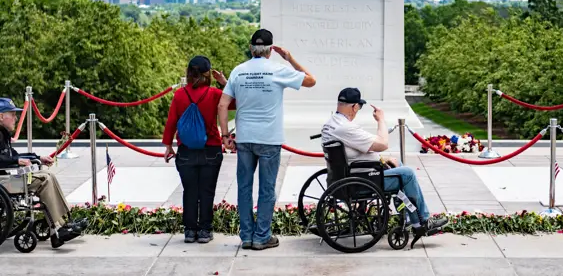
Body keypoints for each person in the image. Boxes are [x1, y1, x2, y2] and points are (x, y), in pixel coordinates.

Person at [218, 29, 316, 251]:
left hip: (244, 137)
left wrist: (225, 135)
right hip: (269, 138)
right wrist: (289, 58)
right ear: (271, 50)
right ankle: (262, 236)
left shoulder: (238, 71)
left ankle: (246, 236)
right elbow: (311, 80)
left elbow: (222, 104)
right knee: (266, 189)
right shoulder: (278, 70)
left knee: (244, 188)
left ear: (251, 48)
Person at [321, 87, 448, 235]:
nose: (358, 110)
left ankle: (409, 217)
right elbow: (382, 144)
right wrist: (381, 119)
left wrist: (382, 159)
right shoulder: (346, 128)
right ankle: (421, 222)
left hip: (347, 175)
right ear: (354, 106)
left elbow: (356, 152)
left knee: (397, 164)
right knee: (407, 174)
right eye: (360, 107)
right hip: (361, 180)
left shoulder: (331, 124)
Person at [0, 97, 88, 249]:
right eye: (12, 114)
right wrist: (16, 161)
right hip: (4, 181)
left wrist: (37, 157)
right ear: (1, 116)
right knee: (44, 180)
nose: (16, 118)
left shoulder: (3, 134)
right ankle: (58, 228)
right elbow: (6, 158)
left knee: (48, 175)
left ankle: (63, 223)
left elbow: (13, 155)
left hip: (6, 179)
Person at [163, 56, 228, 244]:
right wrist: (224, 82)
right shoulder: (215, 93)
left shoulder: (180, 95)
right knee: (207, 191)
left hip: (186, 150)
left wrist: (168, 146)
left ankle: (190, 231)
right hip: (211, 148)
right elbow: (234, 102)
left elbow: (171, 122)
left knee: (190, 190)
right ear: (208, 74)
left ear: (189, 73)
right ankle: (205, 231)